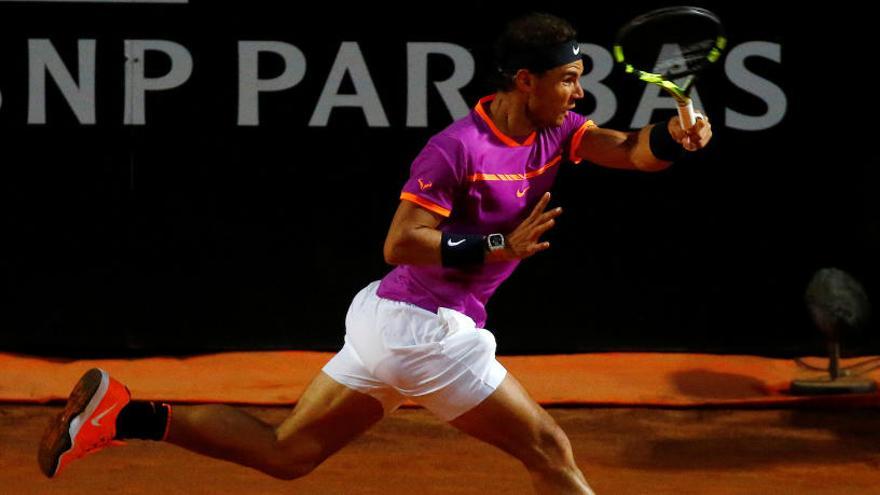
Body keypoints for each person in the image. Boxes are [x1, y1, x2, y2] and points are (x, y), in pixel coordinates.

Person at [38, 12, 711, 494]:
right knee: (549, 450)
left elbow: (626, 150)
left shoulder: (557, 130)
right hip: (423, 328)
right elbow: (400, 241)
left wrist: (675, 137)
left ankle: (123, 413)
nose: (578, 92)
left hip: (391, 322)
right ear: (524, 80)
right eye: (566, 80)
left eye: (579, 79)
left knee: (288, 453)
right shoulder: (457, 148)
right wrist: (500, 243)